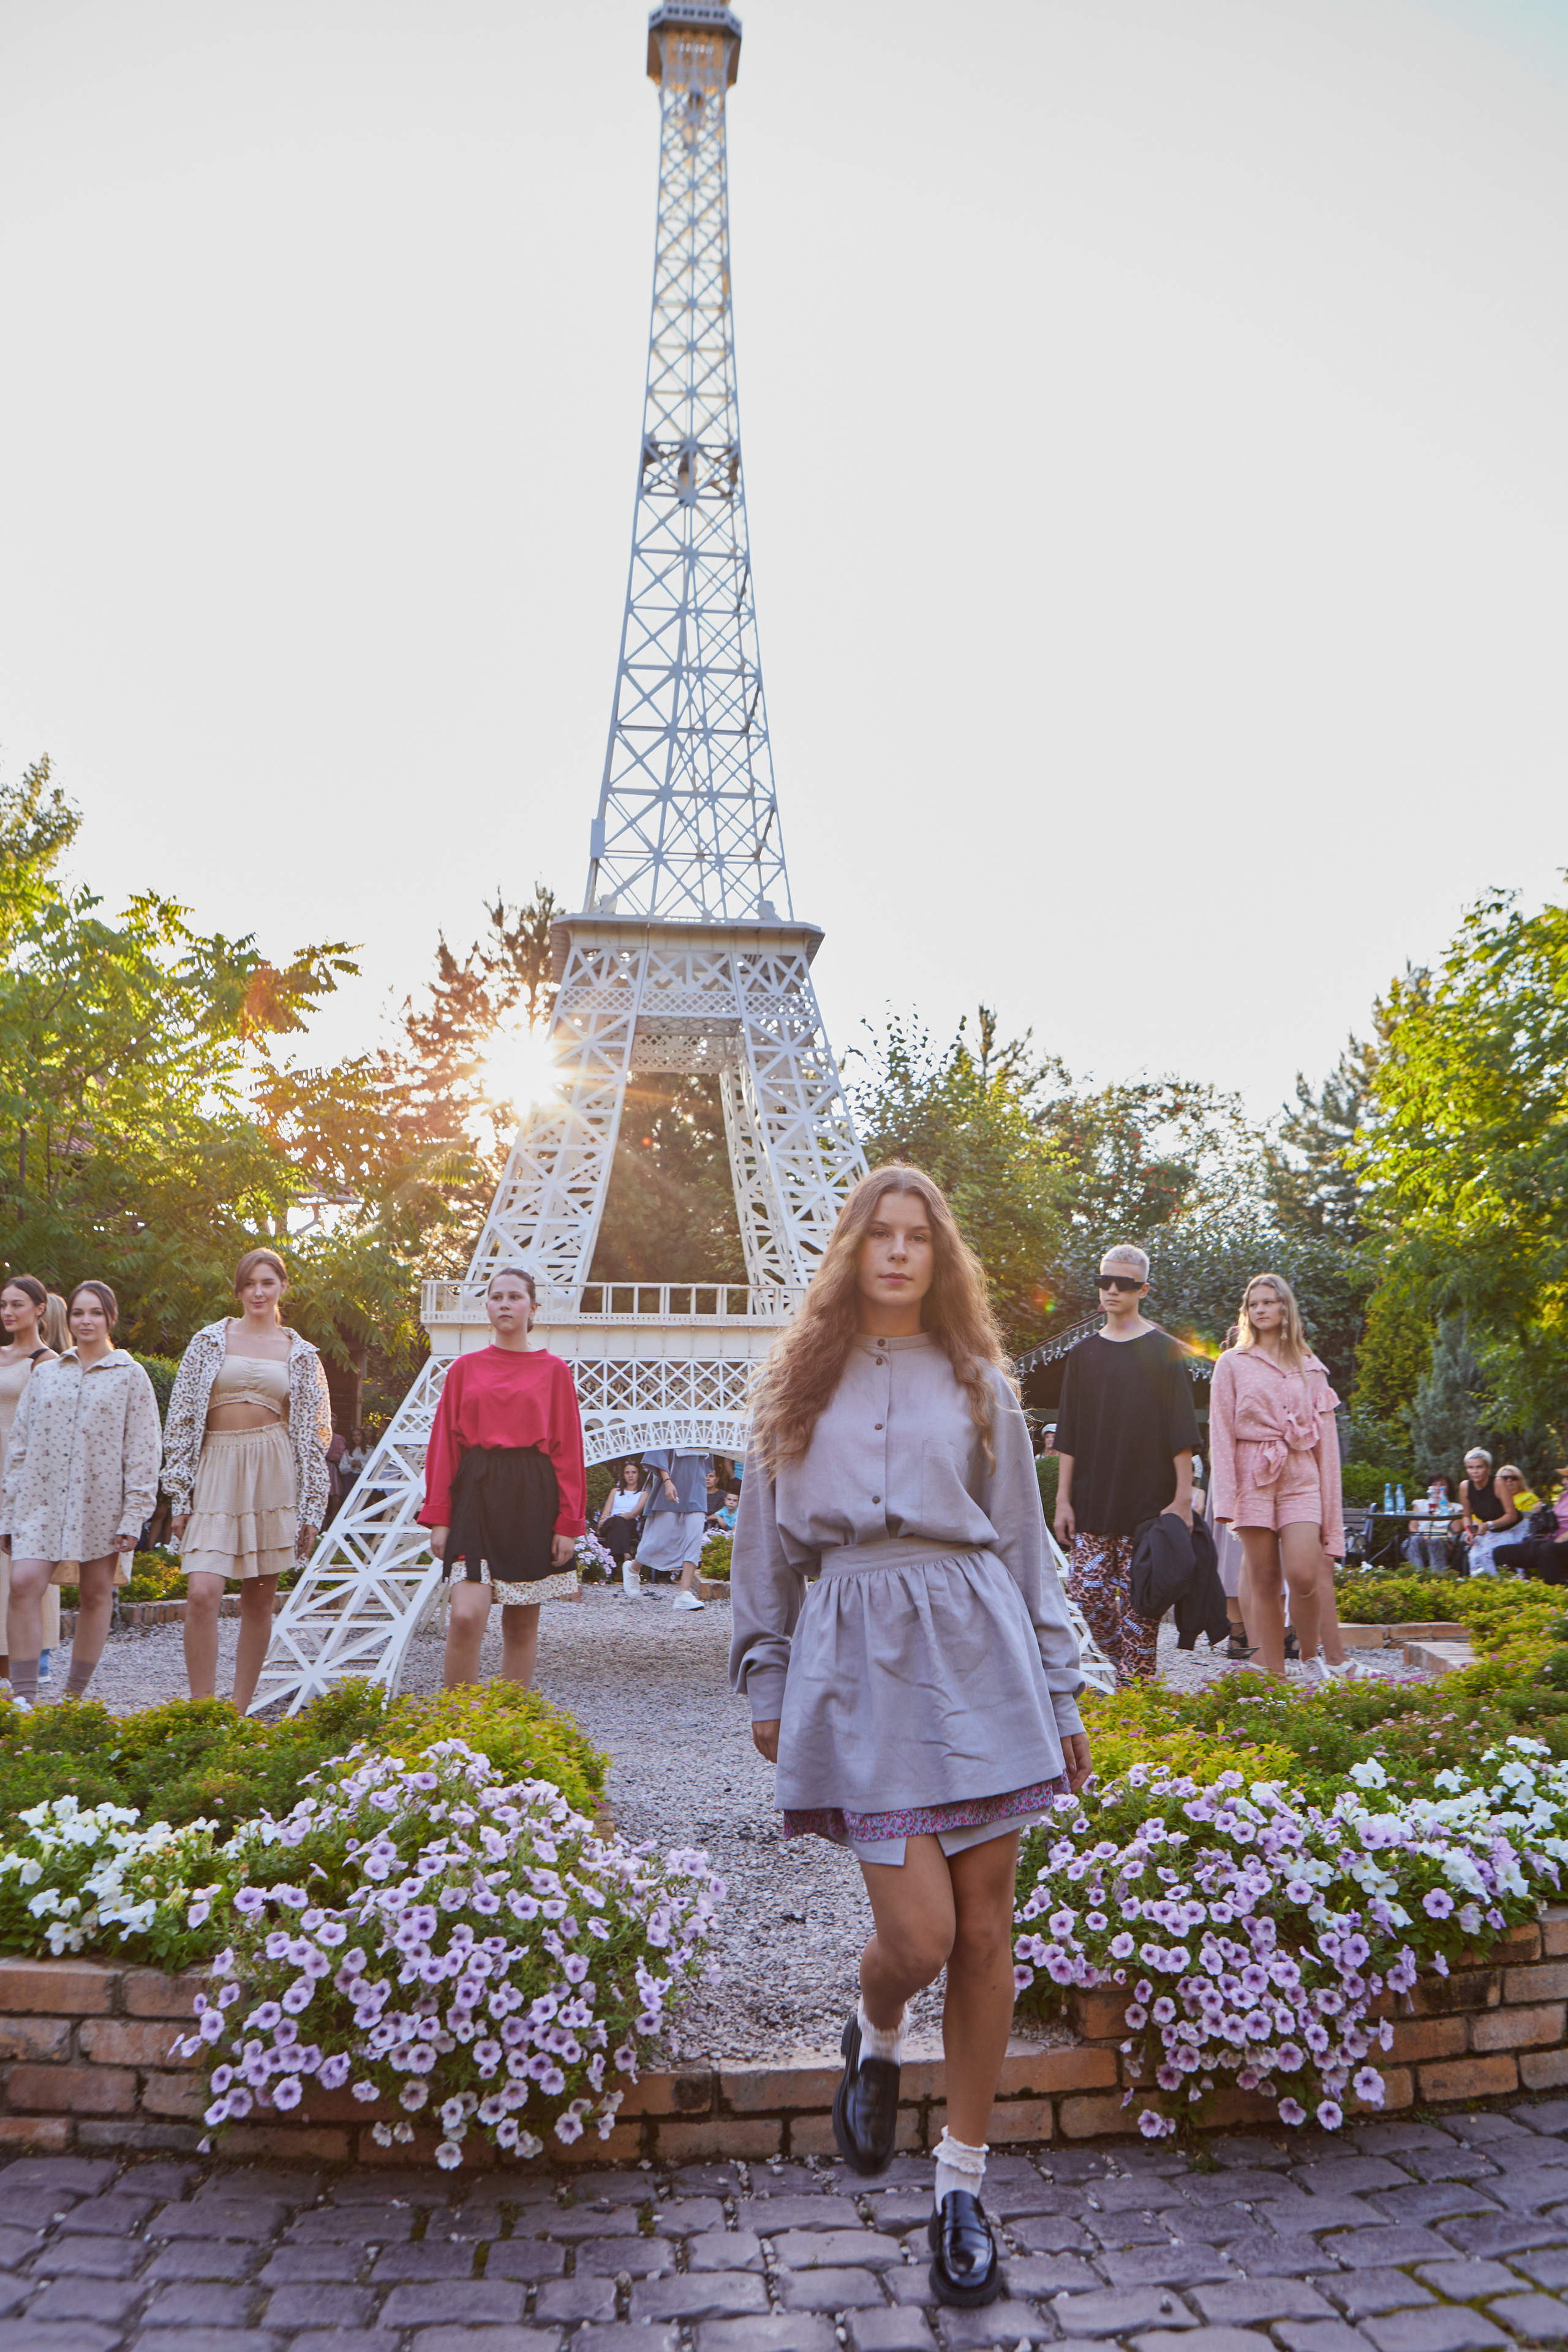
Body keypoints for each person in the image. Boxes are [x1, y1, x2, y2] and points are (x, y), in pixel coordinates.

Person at [731, 1164, 1088, 2309]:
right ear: (849, 1251)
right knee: (922, 1935)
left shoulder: (984, 1382)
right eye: (877, 1235)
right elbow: (765, 1561)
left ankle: (962, 2190)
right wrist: (767, 1680)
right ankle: (875, 2026)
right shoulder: (795, 1389)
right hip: (861, 1670)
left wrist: (1065, 1691)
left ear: (939, 1257)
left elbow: (1030, 1556)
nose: (895, 1253)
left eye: (916, 1237)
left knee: (987, 1932)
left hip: (983, 1656)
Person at [162, 1249, 333, 1714]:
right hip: (215, 1469)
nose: (258, 1292)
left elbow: (315, 1435)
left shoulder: (302, 1355)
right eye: (250, 1284)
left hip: (273, 1472)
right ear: (238, 1290)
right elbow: (179, 1419)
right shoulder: (207, 1341)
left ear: (282, 1288)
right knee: (202, 1593)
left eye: (268, 1283)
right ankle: (203, 1711)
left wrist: (311, 1509)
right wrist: (180, 1495)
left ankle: (236, 1713)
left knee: (259, 1600)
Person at [418, 1266, 586, 1689]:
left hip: (532, 1496)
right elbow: (445, 1447)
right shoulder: (463, 1369)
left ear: (533, 1308)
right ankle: (458, 1727)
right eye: (497, 1297)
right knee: (465, 1616)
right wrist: (440, 1516)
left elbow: (568, 1450)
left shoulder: (554, 1371)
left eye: (515, 1297)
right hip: (476, 1493)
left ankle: (510, 1726)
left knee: (521, 1626)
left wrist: (568, 1524)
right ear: (487, 1306)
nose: (505, 1304)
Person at [0, 1281, 161, 1706]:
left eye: (94, 1313)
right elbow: (19, 1446)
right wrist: (8, 1511)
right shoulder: (48, 1373)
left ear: (110, 1317)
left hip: (102, 1504)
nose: (84, 1320)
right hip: (41, 1502)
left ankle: (73, 1699)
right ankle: (25, 1700)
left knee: (95, 1593)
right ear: (66, 1318)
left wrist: (135, 1516)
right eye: (77, 1313)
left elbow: (143, 1450)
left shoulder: (131, 1376)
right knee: (22, 1583)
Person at [1052, 1245, 1198, 1684]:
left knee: (1141, 1610)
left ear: (1143, 1290)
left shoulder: (1165, 1352)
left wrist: (1184, 1500)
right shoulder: (1082, 1355)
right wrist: (1062, 1499)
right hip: (1093, 1503)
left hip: (1148, 1510)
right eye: (1105, 1281)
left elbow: (1182, 1434)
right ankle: (1133, 1672)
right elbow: (1069, 1435)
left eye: (1124, 1283)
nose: (1112, 1290)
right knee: (1087, 1596)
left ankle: (1140, 1697)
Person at [1209, 1272, 1354, 1683]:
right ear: (1247, 1312)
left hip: (1301, 1474)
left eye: (1269, 1302)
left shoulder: (1311, 1368)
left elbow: (1328, 1451)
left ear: (1285, 1307)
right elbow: (1219, 1434)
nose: (1260, 1310)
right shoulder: (1231, 1364)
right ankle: (1274, 1675)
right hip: (1253, 1474)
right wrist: (1226, 1500)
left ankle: (1310, 1656)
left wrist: (1332, 1518)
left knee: (1304, 1575)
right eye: (1253, 1304)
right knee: (1265, 1578)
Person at [0, 1277, 62, 1687]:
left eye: (17, 1304)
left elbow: (51, 1434)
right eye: (3, 1304)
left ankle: (17, 1691)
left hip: (21, 1482)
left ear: (39, 1309)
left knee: (15, 1579)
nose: (8, 1312)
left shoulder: (49, 1361)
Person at [631, 1446, 712, 1612]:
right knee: (660, 1539)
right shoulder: (669, 1423)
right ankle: (633, 1568)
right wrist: (667, 1481)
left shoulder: (705, 1426)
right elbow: (658, 1449)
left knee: (694, 1540)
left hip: (696, 1491)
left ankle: (684, 1593)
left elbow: (708, 1462)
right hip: (670, 1486)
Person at [1493, 1470, 1568, 1583]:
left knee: (1547, 1550)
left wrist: (1563, 1538)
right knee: (1501, 1552)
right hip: (1549, 1541)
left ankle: (1552, 1593)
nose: (1563, 1482)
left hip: (1560, 1544)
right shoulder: (1564, 1495)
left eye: (1567, 1478)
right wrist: (1541, 1512)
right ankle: (1514, 1588)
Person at [598, 1459, 650, 1592]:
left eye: (634, 1472)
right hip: (609, 1524)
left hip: (630, 1526)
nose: (631, 1475)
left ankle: (611, 1569)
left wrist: (614, 1518)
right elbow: (604, 1517)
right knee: (616, 1523)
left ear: (639, 1474)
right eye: (627, 1473)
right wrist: (612, 1519)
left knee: (617, 1525)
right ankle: (627, 1556)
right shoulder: (615, 1492)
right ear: (623, 1475)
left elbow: (633, 1514)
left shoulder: (643, 1494)